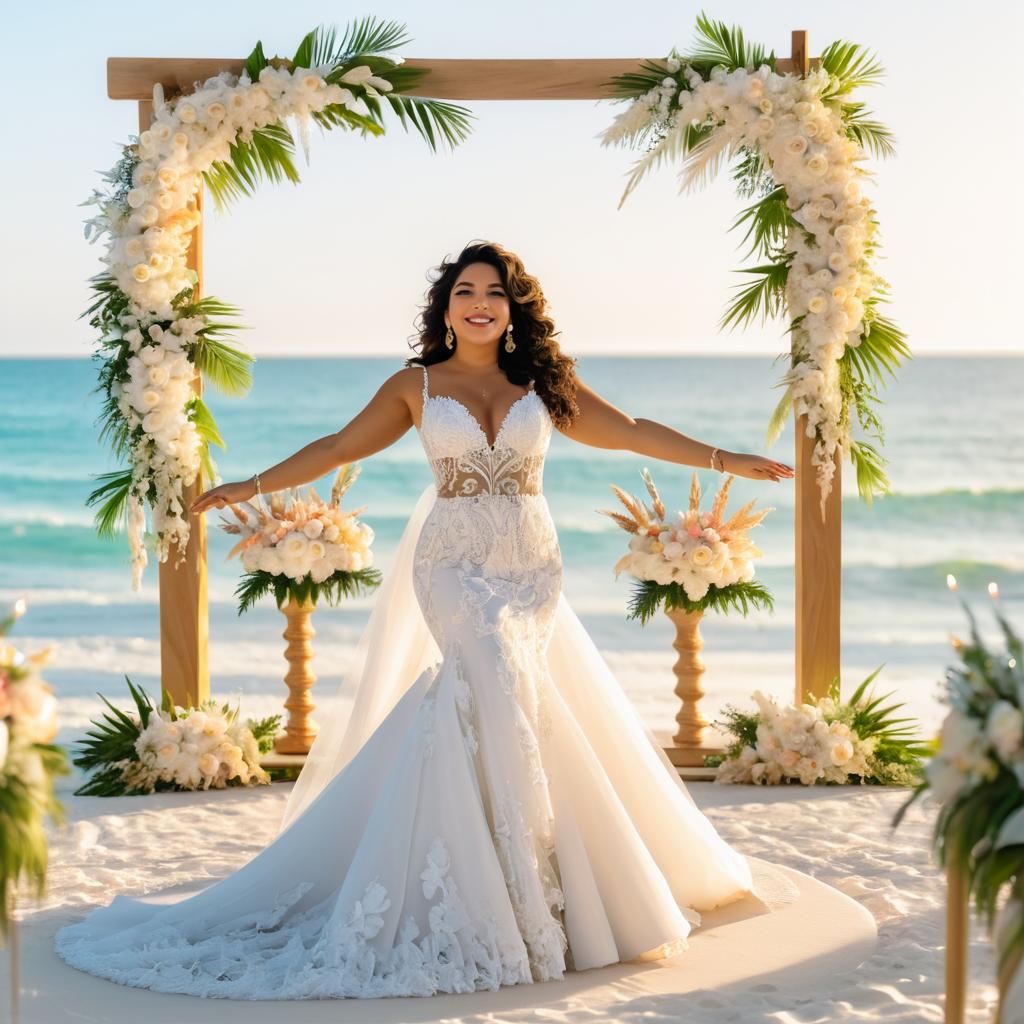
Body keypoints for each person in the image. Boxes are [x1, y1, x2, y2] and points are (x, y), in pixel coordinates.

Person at [54, 241, 795, 1000]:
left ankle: (535, 884)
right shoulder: (415, 385)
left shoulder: (545, 380)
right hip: (452, 565)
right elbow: (342, 445)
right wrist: (252, 482)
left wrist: (722, 459)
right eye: (464, 290)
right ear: (445, 307)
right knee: (492, 677)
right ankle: (503, 899)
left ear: (515, 308)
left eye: (495, 292)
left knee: (514, 702)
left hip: (530, 564)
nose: (479, 302)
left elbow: (632, 429)